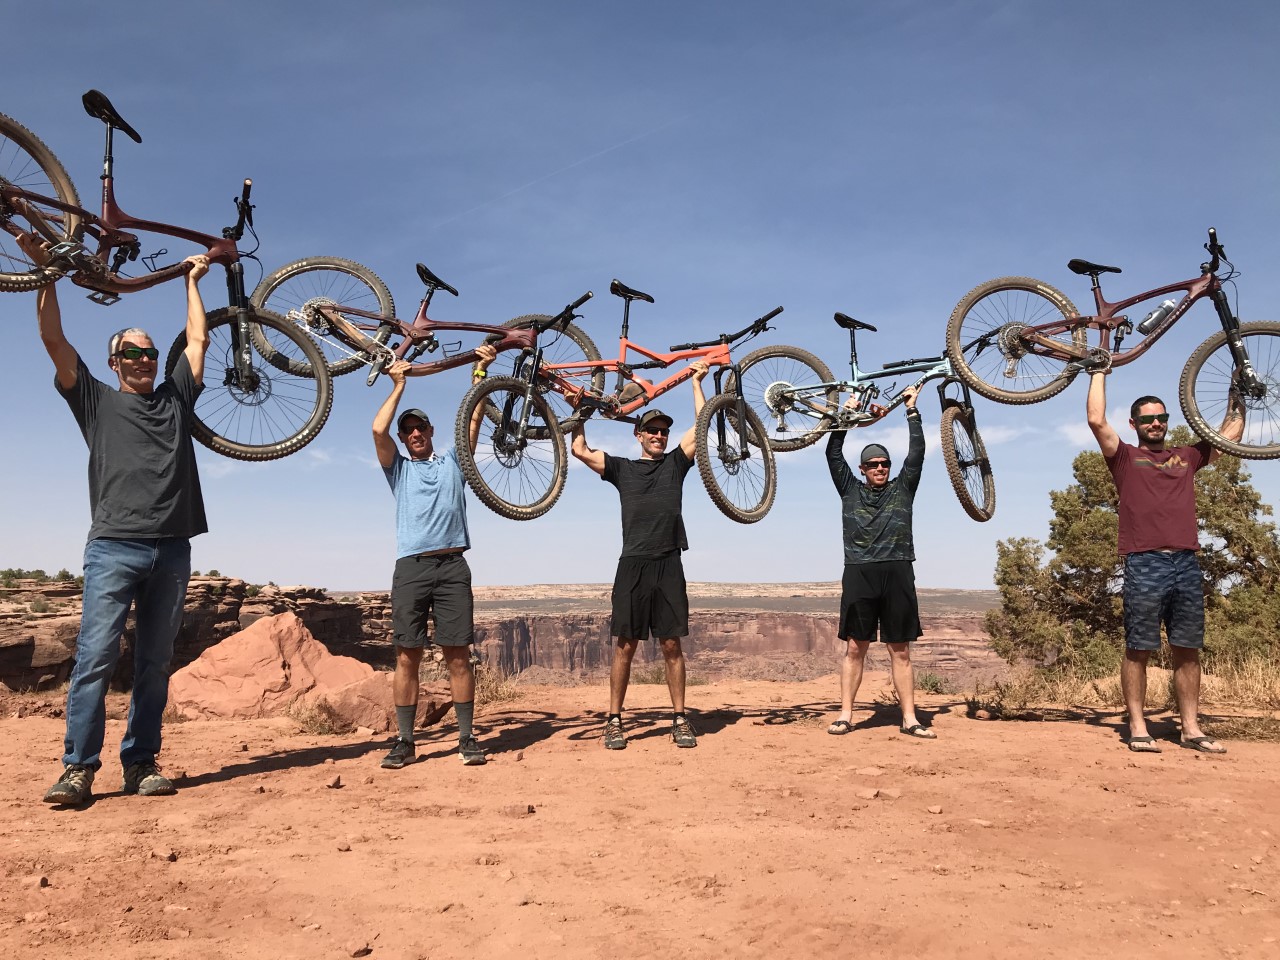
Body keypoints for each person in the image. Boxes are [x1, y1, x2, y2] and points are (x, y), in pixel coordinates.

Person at [24, 231, 213, 806]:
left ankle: (140, 763)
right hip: (113, 547)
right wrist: (46, 275)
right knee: (95, 660)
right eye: (132, 353)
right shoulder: (96, 400)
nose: (143, 360)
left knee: (154, 664)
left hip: (172, 548)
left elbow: (198, 339)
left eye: (149, 353)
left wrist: (191, 282)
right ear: (114, 362)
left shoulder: (176, 397)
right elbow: (54, 339)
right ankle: (78, 769)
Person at [1086, 368, 1245, 754]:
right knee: (1138, 648)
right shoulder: (1125, 457)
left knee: (1187, 648)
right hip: (1145, 562)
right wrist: (1098, 372)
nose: (1155, 423)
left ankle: (1190, 728)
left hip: (1186, 562)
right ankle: (1138, 726)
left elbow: (1230, 436)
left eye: (1161, 417)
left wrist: (1238, 391)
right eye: (1147, 419)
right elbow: (1096, 419)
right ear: (1134, 424)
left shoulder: (1186, 456)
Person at [570, 361, 710, 750]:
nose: (659, 436)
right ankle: (614, 720)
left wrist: (697, 384)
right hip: (632, 564)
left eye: (664, 431)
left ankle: (680, 718)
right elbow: (579, 449)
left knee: (671, 645)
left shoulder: (676, 465)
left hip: (668, 564)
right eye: (652, 430)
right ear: (639, 434)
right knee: (626, 645)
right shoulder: (622, 469)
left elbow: (701, 429)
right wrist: (580, 411)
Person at [374, 347, 496, 769]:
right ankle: (405, 741)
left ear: (430, 430)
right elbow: (377, 429)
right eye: (408, 429)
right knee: (407, 655)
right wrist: (398, 384)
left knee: (457, 654)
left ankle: (466, 738)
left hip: (452, 566)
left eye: (420, 427)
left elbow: (475, 419)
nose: (414, 433)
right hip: (411, 566)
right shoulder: (399, 470)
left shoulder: (454, 463)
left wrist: (480, 372)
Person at [825, 386, 936, 739]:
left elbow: (917, 453)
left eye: (884, 463)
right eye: (873, 464)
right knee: (854, 647)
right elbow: (832, 453)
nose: (880, 468)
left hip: (898, 569)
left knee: (899, 649)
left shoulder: (903, 489)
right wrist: (845, 416)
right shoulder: (849, 489)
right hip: (859, 571)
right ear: (862, 469)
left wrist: (912, 411)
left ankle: (910, 719)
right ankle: (845, 715)